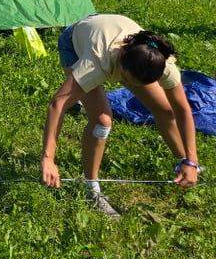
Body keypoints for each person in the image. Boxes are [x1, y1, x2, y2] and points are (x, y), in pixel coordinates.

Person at [41, 14, 200, 219]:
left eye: (136, 84)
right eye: (125, 80)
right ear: (121, 61)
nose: (130, 87)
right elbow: (57, 104)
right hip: (75, 41)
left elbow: (182, 110)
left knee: (165, 110)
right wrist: (48, 159)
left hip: (111, 38)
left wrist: (192, 161)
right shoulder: (96, 62)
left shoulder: (161, 62)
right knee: (102, 121)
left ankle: (183, 163)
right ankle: (92, 191)